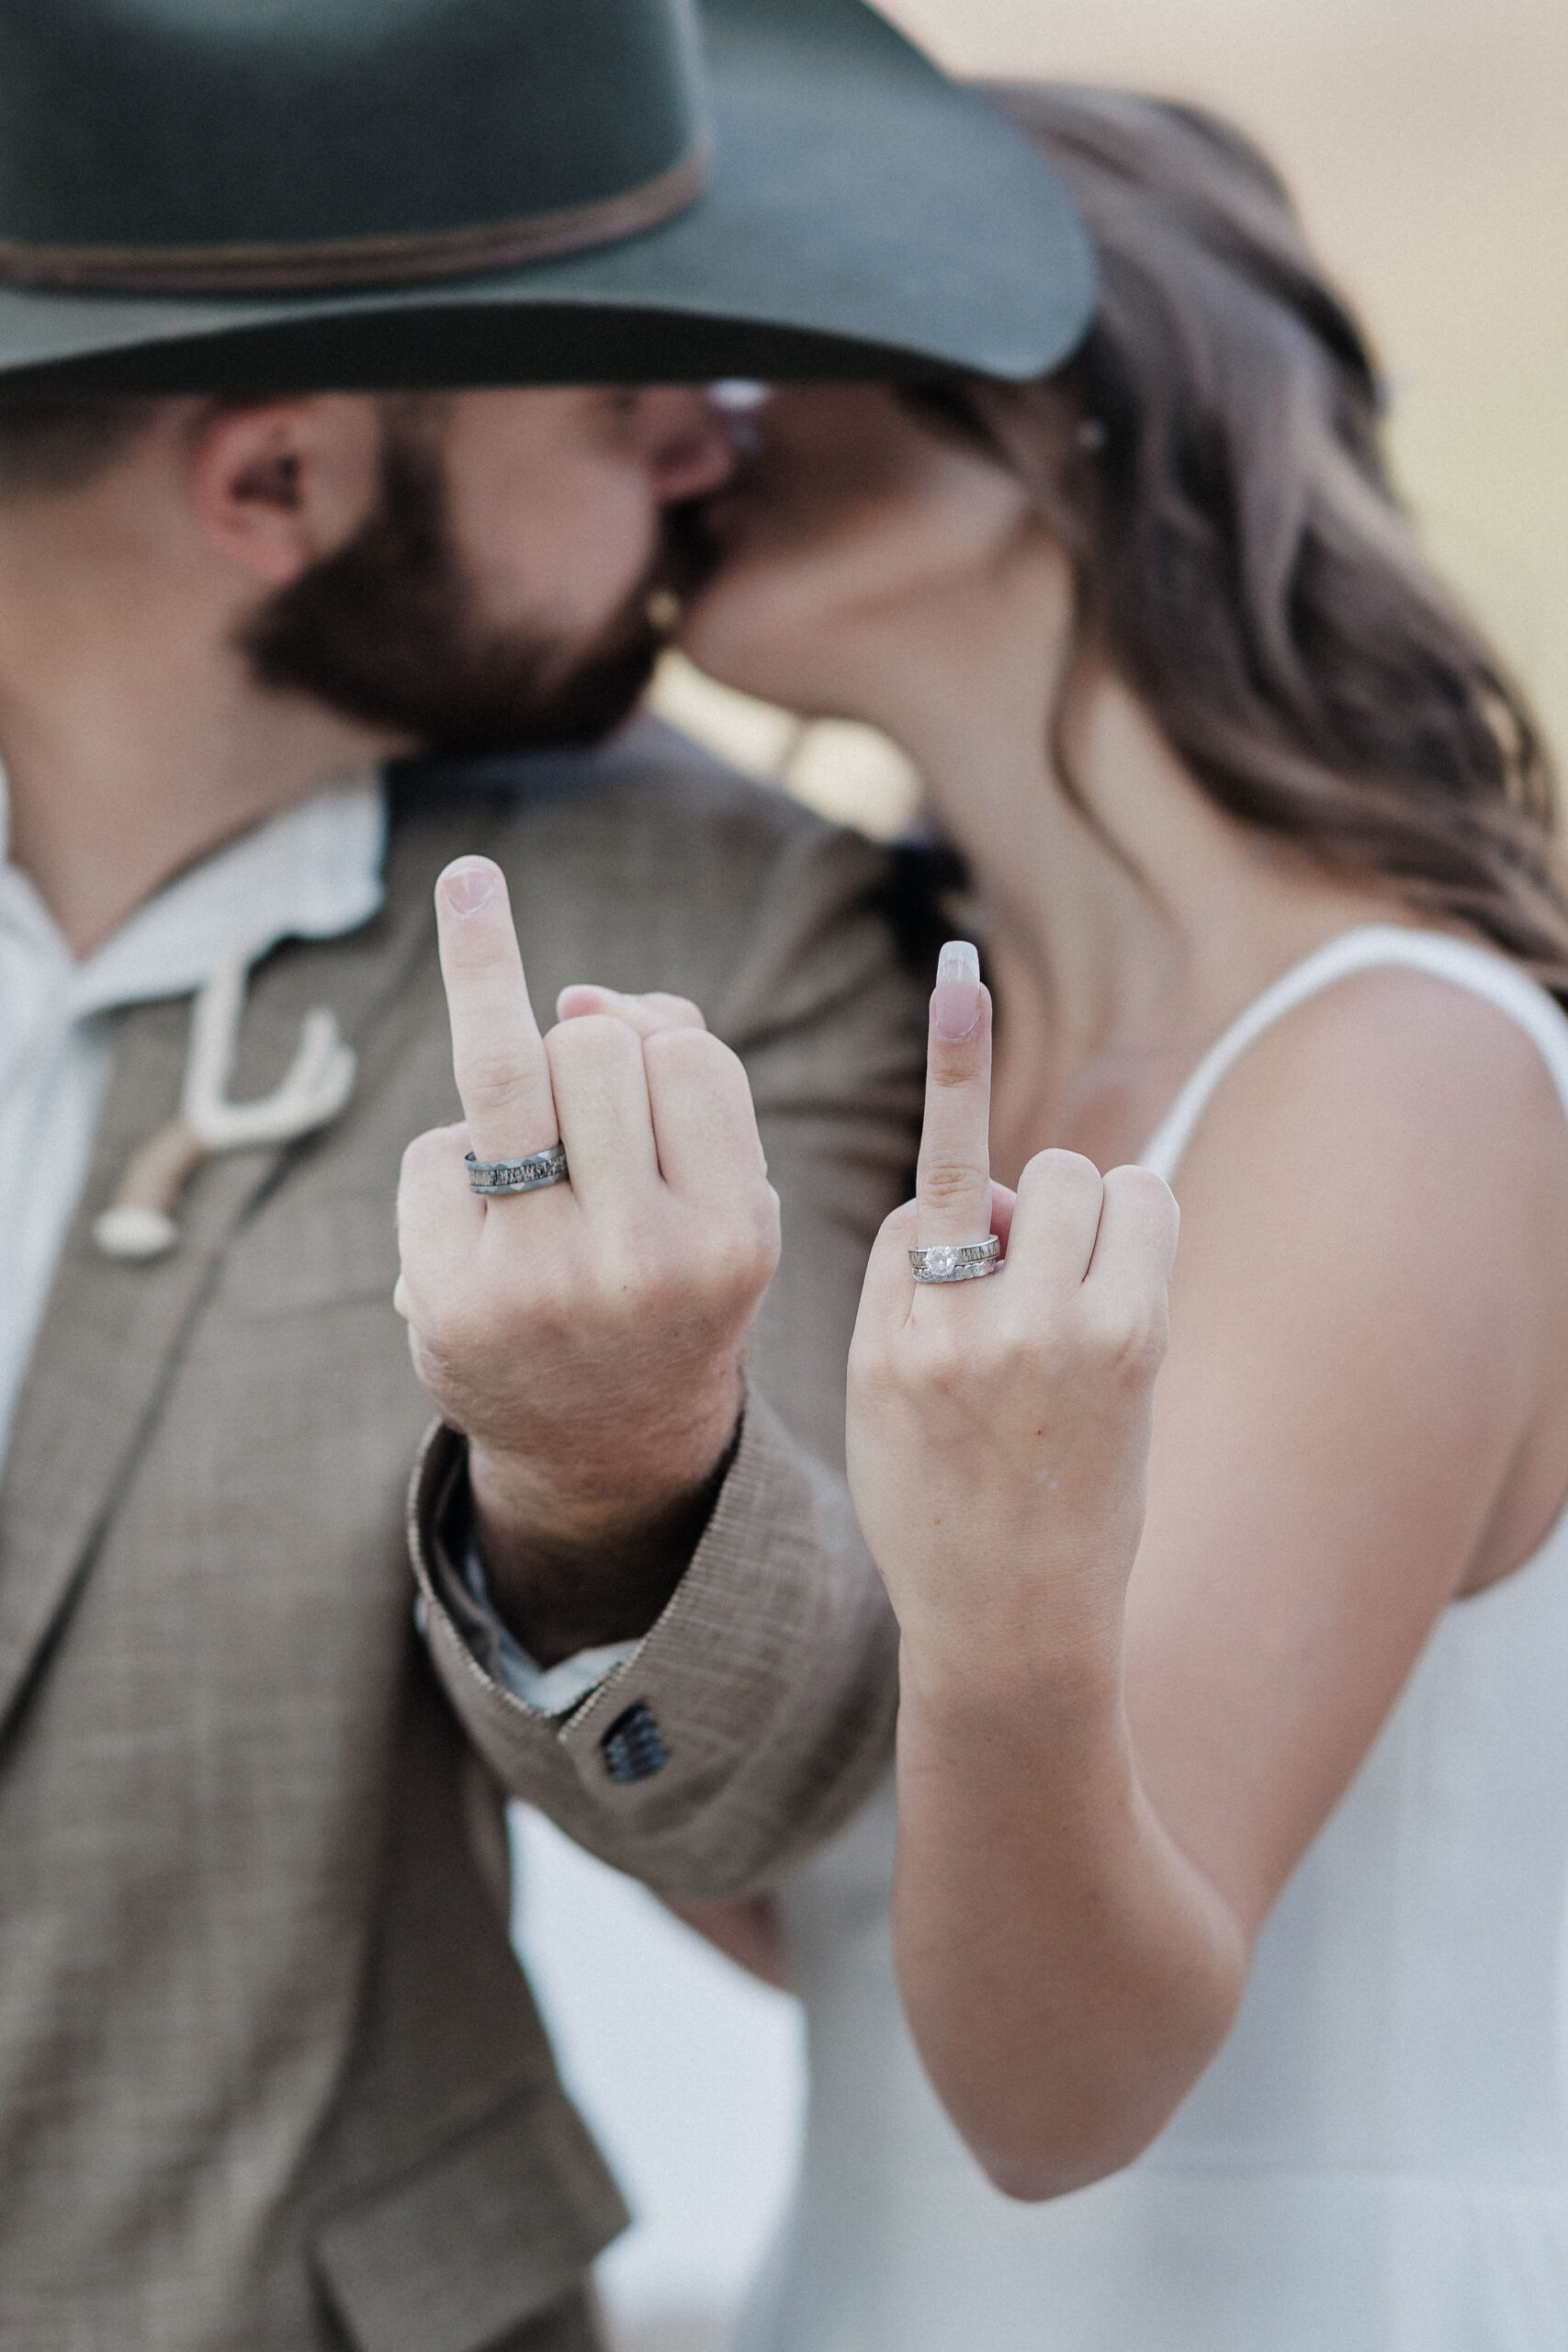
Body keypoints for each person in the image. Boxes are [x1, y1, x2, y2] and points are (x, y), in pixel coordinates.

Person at [0, 9, 1101, 2346]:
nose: (719, 445)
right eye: (617, 399)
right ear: (277, 479)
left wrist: (615, 1454)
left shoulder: (730, 928)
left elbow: (772, 1781)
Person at [677, 85, 1568, 2350]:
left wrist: (998, 1604)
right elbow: (859, 1915)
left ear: (1059, 402)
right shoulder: (884, 1073)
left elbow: (1064, 2081)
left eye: (762, 352)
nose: (682, 426)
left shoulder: (1395, 1076)